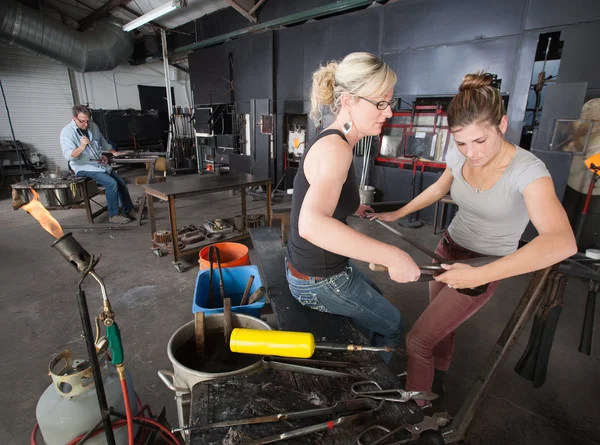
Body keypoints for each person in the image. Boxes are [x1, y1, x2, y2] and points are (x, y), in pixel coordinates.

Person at [370, 73, 577, 400]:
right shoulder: (459, 153)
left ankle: (415, 408)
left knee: (419, 340)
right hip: (447, 250)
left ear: (503, 124)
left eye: (480, 141)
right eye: (461, 142)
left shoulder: (528, 171)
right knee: (441, 329)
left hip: (485, 264)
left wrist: (480, 274)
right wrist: (396, 213)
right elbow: (440, 188)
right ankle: (434, 383)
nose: (471, 152)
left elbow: (562, 241)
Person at [285, 52, 421, 363]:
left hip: (318, 269)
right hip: (317, 281)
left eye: (389, 102)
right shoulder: (336, 149)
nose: (387, 113)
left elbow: (325, 199)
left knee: (379, 301)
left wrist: (352, 207)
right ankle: (371, 388)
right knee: (393, 325)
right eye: (380, 103)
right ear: (348, 101)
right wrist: (394, 255)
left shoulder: (337, 140)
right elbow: (313, 224)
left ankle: (362, 357)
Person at [60, 105, 136, 224]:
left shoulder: (93, 126)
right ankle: (114, 215)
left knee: (121, 183)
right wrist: (82, 146)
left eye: (88, 121)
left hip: (98, 163)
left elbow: (102, 142)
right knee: (111, 184)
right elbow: (69, 156)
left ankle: (129, 210)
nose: (86, 124)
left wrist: (114, 152)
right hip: (82, 166)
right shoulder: (67, 132)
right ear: (74, 118)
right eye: (82, 121)